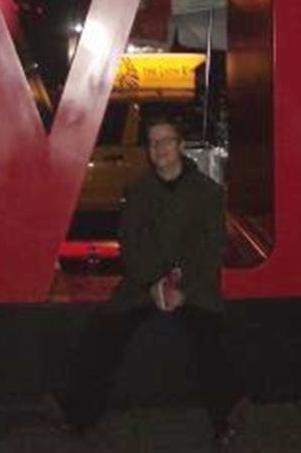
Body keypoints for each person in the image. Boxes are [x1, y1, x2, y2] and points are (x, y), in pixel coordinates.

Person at [49, 116, 249, 449]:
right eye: (153, 143)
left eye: (166, 141)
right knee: (105, 332)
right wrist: (153, 284)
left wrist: (184, 290)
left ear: (180, 146)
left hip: (192, 286)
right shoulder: (138, 191)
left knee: (210, 338)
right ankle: (76, 414)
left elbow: (212, 249)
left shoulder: (208, 192)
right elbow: (130, 243)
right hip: (144, 285)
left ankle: (227, 415)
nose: (159, 149)